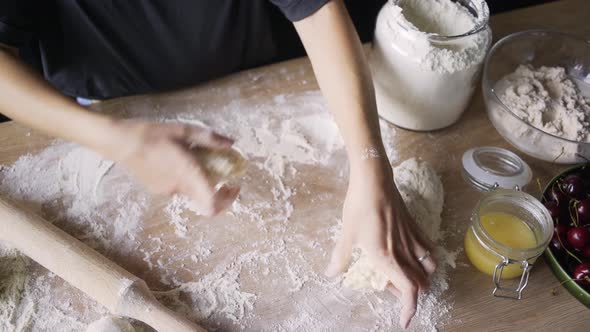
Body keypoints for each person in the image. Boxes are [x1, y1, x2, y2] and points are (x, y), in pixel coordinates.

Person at [0, 0, 435, 328]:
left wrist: (369, 164)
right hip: (101, 106)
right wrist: (111, 138)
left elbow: (316, 9)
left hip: (251, 76)